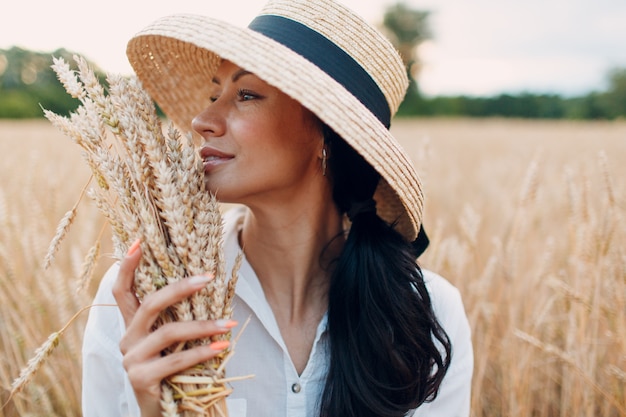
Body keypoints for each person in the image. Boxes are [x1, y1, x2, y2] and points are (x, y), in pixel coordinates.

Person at [81, 0, 473, 416]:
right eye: (215, 93)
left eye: (246, 94)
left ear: (326, 132)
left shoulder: (425, 314)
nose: (202, 119)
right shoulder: (148, 299)